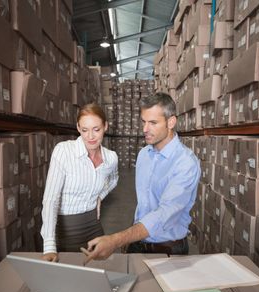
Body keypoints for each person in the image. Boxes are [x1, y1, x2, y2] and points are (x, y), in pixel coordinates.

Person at [84, 92, 200, 263]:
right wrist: (131, 239)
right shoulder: (144, 154)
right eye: (143, 121)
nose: (145, 129)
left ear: (171, 122)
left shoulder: (186, 163)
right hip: (138, 243)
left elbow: (164, 214)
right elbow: (144, 204)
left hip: (168, 249)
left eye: (153, 122)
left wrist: (117, 239)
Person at [40, 103, 119, 262]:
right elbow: (51, 199)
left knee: (99, 273)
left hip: (94, 224)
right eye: (84, 130)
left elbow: (114, 179)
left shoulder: (111, 157)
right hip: (66, 229)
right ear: (78, 128)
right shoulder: (64, 151)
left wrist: (100, 196)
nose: (90, 136)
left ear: (105, 127)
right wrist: (49, 246)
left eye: (96, 129)